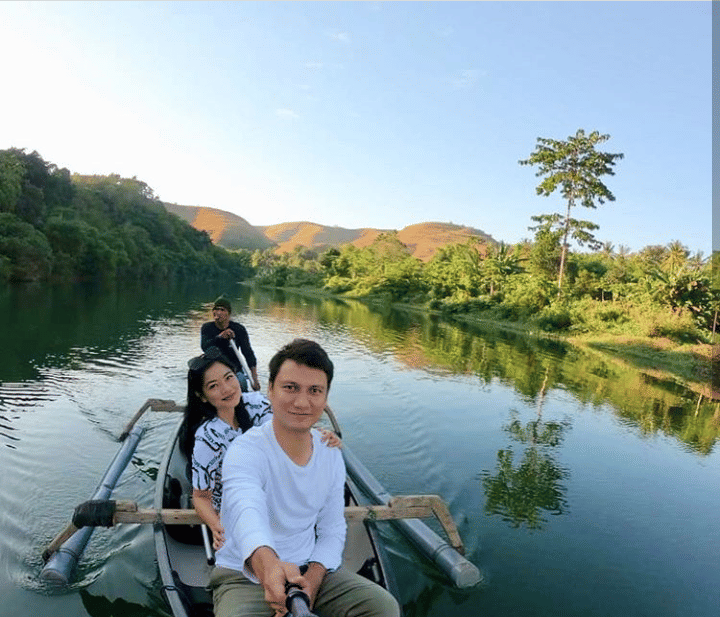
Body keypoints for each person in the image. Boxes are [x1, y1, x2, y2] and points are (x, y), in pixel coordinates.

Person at [210, 339, 400, 617]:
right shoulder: (245, 450)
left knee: (383, 607)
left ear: (325, 397)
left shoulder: (330, 454)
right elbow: (245, 510)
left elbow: (332, 529)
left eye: (314, 391)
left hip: (307, 567)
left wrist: (312, 579)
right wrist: (268, 565)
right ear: (270, 390)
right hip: (243, 573)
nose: (302, 402)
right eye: (290, 387)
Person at [180, 346, 340, 550]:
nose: (227, 389)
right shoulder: (208, 437)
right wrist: (216, 525)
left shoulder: (256, 403)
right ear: (202, 396)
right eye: (213, 386)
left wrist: (319, 435)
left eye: (229, 378)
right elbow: (201, 497)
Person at [201, 296, 261, 391]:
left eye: (222, 310)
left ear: (228, 313)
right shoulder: (207, 327)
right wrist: (220, 337)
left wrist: (254, 378)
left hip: (233, 367)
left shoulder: (239, 329)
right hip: (214, 367)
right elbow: (205, 347)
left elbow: (248, 353)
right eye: (216, 309)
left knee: (242, 383)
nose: (218, 312)